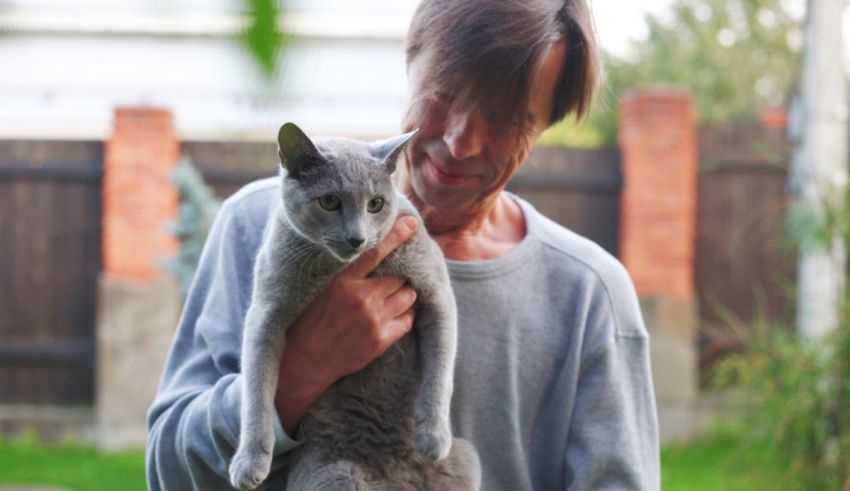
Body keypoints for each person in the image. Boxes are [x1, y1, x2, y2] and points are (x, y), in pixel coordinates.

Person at [146, 0, 660, 489]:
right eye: (447, 94)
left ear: (546, 126)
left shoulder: (589, 294)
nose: (461, 142)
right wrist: (299, 373)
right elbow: (168, 474)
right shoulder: (256, 226)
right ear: (411, 63)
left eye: (505, 119)